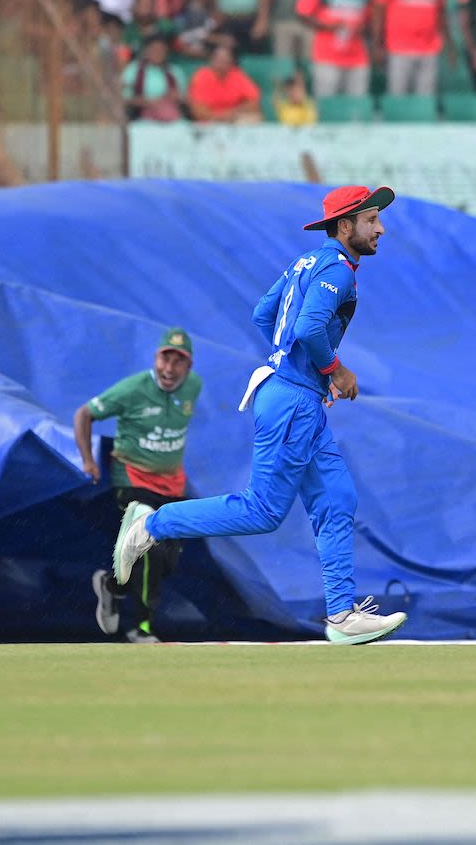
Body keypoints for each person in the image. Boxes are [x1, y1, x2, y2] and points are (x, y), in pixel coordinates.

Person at [111, 185, 410, 646]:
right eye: (372, 220)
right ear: (345, 225)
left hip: (295, 396)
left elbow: (262, 313)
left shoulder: (306, 262)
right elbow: (310, 328)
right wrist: (334, 370)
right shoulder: (338, 270)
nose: (381, 229)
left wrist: (300, 369)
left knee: (336, 498)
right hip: (292, 402)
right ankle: (152, 524)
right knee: (263, 510)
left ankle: (342, 615)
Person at [76, 328, 202, 644]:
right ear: (155, 358)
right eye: (165, 359)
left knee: (168, 561)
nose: (170, 369)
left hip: (172, 487)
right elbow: (84, 414)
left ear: (189, 367)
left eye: (179, 362)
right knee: (150, 548)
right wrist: (89, 461)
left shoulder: (193, 388)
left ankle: (113, 587)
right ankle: (141, 628)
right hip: (132, 481)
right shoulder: (133, 389)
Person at [374, 0, 451, 96]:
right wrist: (378, 43)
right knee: (398, 96)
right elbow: (379, 10)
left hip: (429, 47)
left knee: (425, 99)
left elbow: (441, 12)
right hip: (398, 46)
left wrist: (449, 44)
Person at [296, 0, 374, 98]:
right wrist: (328, 26)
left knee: (356, 107)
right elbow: (303, 13)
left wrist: (361, 28)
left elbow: (369, 19)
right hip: (327, 55)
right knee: (326, 104)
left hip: (357, 55)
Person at [188, 42, 263, 122]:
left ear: (231, 61)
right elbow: (197, 111)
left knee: (255, 117)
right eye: (219, 59)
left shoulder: (237, 75)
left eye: (226, 59)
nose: (222, 63)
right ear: (212, 60)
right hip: (210, 121)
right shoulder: (201, 76)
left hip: (234, 119)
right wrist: (221, 117)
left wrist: (232, 113)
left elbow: (253, 103)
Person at [123, 33, 185, 120]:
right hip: (139, 119)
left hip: (169, 118)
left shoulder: (174, 71)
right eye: (154, 49)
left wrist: (176, 97)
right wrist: (145, 102)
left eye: (161, 50)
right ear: (146, 51)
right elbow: (123, 99)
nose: (158, 53)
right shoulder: (133, 69)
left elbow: (184, 99)